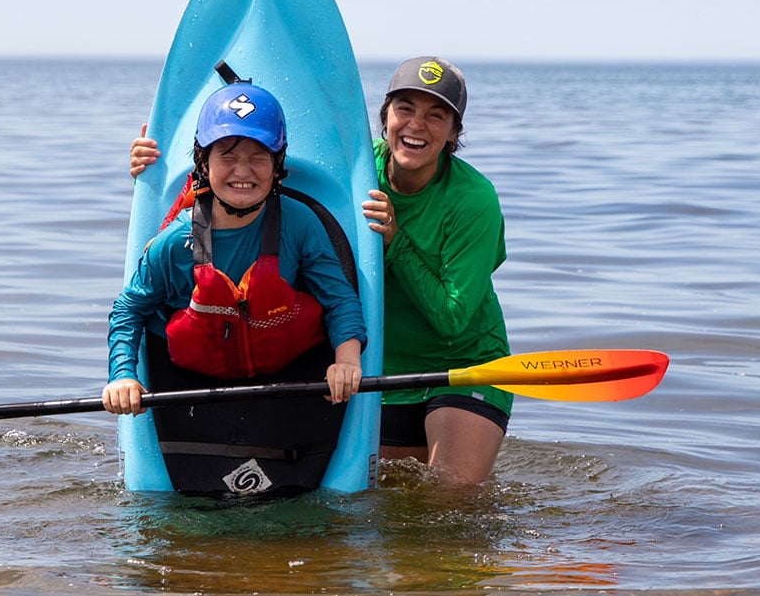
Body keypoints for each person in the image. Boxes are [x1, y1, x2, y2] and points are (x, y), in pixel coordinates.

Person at [128, 58, 511, 486]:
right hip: (378, 368)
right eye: (405, 108)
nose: (416, 125)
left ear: (455, 132)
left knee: (449, 494)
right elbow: (246, 165)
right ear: (384, 116)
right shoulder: (353, 174)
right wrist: (154, 169)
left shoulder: (473, 200)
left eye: (436, 115)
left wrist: (395, 244)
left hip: (458, 366)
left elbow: (452, 321)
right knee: (385, 507)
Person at [103, 82, 366, 417]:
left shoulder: (300, 224)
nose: (243, 171)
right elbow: (130, 310)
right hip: (192, 386)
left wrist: (346, 360)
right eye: (227, 155)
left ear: (277, 165)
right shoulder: (175, 242)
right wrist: (122, 376)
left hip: (290, 378)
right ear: (203, 163)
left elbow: (339, 298)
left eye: (258, 157)